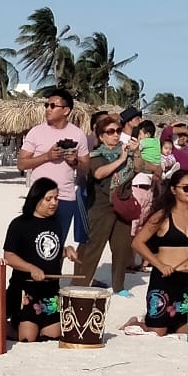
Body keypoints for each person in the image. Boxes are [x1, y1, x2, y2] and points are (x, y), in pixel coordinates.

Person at [123, 171, 188, 336]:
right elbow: (137, 243)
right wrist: (160, 265)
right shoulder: (162, 216)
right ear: (174, 190)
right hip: (164, 279)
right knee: (158, 331)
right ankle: (137, 322)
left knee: (184, 329)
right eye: (186, 188)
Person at [17, 88, 87, 247]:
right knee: (34, 244)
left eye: (53, 106)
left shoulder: (78, 134)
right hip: (39, 197)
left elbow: (86, 168)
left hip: (65, 197)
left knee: (57, 245)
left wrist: (74, 161)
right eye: (46, 105)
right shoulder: (36, 132)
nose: (48, 109)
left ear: (66, 111)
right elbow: (21, 163)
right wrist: (46, 157)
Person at [72, 112, 134, 286]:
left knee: (122, 247)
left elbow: (144, 167)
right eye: (110, 131)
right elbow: (99, 173)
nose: (115, 134)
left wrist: (135, 154)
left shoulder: (127, 153)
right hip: (100, 208)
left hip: (123, 206)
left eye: (118, 131)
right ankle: (81, 284)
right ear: (100, 136)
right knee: (93, 248)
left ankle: (118, 285)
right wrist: (122, 159)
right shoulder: (95, 156)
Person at [3, 178, 65, 342]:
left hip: (50, 291)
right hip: (26, 290)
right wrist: (31, 268)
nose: (54, 203)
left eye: (56, 198)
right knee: (28, 338)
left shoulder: (56, 224)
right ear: (37, 199)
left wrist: (66, 251)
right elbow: (9, 256)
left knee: (51, 337)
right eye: (48, 199)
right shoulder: (20, 224)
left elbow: (52, 254)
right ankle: (3, 325)